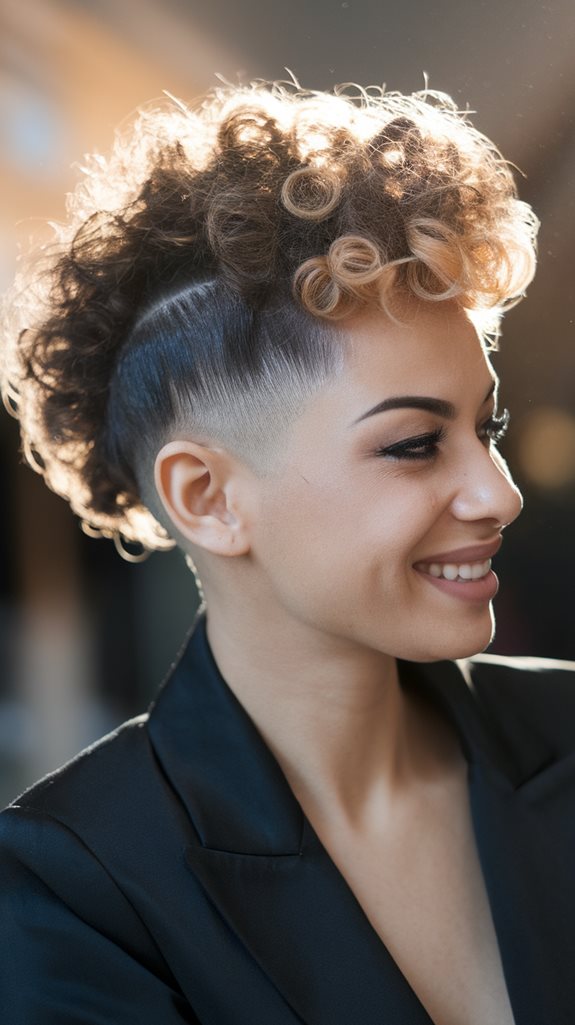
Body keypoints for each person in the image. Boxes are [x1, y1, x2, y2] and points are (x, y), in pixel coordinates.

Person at [0, 79, 573, 1025]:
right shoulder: (77, 886)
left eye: (487, 426)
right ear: (208, 497)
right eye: (414, 444)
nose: (498, 492)